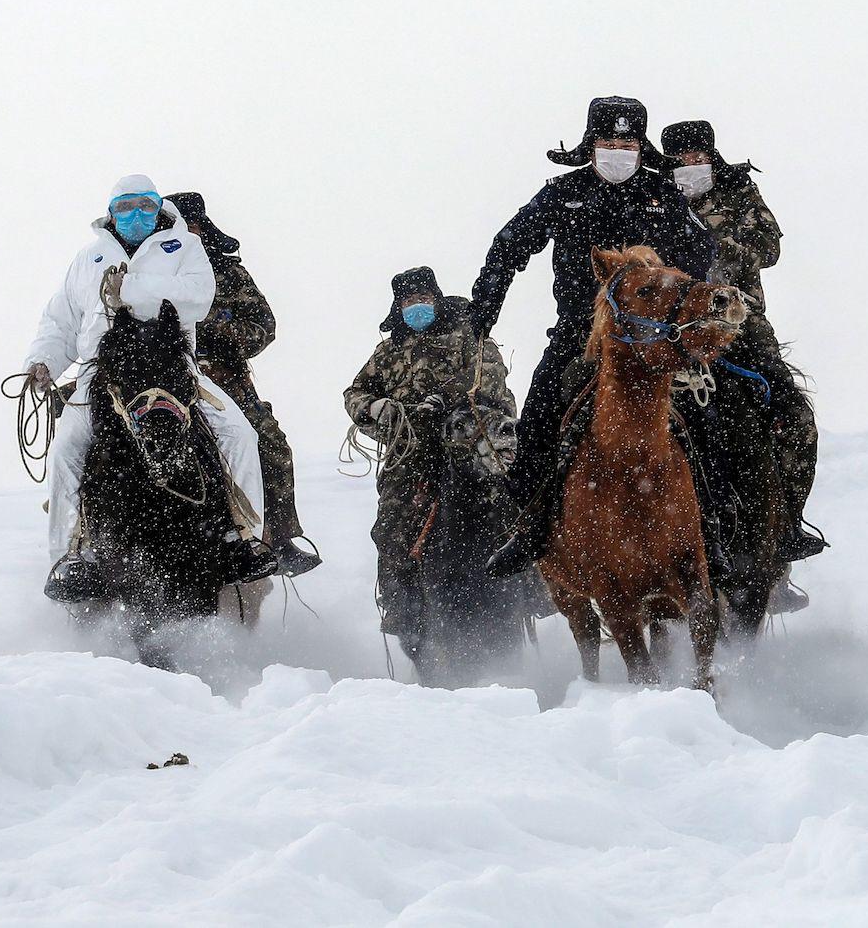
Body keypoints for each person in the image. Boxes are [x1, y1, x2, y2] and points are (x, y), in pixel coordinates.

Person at [473, 96, 715, 576]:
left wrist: (676, 303)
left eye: (628, 142)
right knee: (540, 413)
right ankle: (530, 529)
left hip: (655, 338)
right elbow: (508, 246)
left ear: (641, 146)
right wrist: (484, 311)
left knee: (711, 419)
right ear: (592, 145)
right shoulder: (562, 194)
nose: (619, 151)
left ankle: (719, 529)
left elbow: (700, 250)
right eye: (610, 142)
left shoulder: (662, 196)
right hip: (578, 335)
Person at [24, 175, 276, 601]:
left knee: (240, 435)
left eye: (145, 205)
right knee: (66, 450)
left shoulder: (184, 247)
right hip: (101, 372)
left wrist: (134, 289)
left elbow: (198, 296)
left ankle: (241, 536)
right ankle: (70, 554)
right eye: (126, 207)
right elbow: (61, 320)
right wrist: (43, 362)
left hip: (172, 365)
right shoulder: (89, 258)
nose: (136, 215)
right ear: (111, 213)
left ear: (158, 207)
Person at [661, 119, 825, 566]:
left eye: (699, 156)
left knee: (796, 420)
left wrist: (710, 239)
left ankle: (788, 525)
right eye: (681, 158)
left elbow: (769, 248)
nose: (690, 165)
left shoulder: (738, 191)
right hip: (670, 330)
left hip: (741, 326)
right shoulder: (654, 197)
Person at [345, 268, 516, 636]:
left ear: (436, 298)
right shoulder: (388, 351)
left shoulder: (469, 332)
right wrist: (378, 409)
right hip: (413, 448)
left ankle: (529, 584)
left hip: (469, 437)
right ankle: (400, 605)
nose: (417, 306)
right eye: (408, 301)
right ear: (399, 306)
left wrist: (449, 399)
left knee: (510, 496)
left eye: (423, 299)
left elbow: (489, 376)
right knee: (390, 524)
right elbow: (355, 393)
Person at [171, 190, 319, 577]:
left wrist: (224, 330)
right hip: (162, 376)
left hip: (224, 380)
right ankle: (82, 547)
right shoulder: (152, 273)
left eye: (190, 227)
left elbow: (264, 328)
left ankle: (281, 539)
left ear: (202, 228)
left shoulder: (230, 274)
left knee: (271, 444)